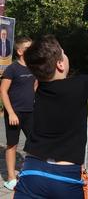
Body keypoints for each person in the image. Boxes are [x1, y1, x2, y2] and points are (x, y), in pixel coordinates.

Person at [14, 35, 88, 198]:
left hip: (31, 173)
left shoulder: (38, 88)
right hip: (65, 177)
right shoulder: (79, 86)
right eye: (63, 53)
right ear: (60, 64)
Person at [0, 37, 36, 190]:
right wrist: (11, 113)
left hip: (31, 113)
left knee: (36, 144)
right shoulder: (12, 69)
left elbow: (35, 84)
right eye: (28, 48)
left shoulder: (34, 67)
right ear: (20, 51)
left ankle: (32, 173)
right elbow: (3, 90)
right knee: (12, 144)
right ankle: (11, 178)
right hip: (14, 114)